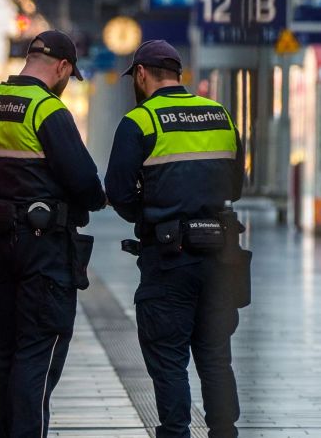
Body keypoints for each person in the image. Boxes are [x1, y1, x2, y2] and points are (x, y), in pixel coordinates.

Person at [105, 40, 246, 438]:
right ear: (178, 74)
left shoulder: (141, 121)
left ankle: (175, 432)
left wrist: (147, 218)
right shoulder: (220, 115)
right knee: (216, 355)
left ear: (143, 74)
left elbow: (117, 190)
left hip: (168, 259)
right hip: (220, 255)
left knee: (168, 359)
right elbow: (236, 185)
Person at [0, 30, 106, 438]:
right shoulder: (47, 110)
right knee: (37, 355)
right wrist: (95, 200)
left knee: (3, 356)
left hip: (0, 247)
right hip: (43, 252)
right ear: (63, 67)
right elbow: (84, 181)